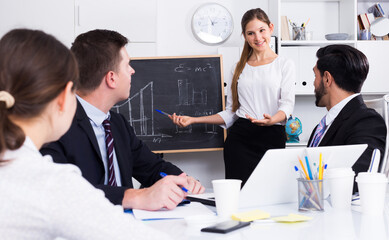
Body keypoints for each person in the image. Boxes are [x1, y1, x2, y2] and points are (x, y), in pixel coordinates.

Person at [0, 29, 171, 239]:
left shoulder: (117, 124)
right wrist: (135, 196)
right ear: (64, 97)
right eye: (74, 90)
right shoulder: (52, 183)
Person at [40, 29, 204, 210]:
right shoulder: (56, 125)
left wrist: (183, 178)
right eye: (128, 65)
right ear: (111, 78)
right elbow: (61, 190)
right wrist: (135, 196)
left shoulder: (117, 124)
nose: (133, 71)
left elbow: (151, 167)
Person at [170, 8, 295, 186]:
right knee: (240, 196)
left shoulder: (284, 64)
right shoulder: (237, 68)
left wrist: (272, 119)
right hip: (240, 141)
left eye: (262, 31)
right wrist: (193, 120)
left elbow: (288, 105)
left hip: (272, 136)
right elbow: (231, 112)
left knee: (271, 192)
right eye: (251, 33)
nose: (258, 38)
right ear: (244, 36)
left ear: (271, 28)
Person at [307, 44, 387, 191]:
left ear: (327, 79)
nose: (313, 83)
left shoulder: (367, 122)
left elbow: (358, 182)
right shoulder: (322, 127)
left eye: (315, 76)